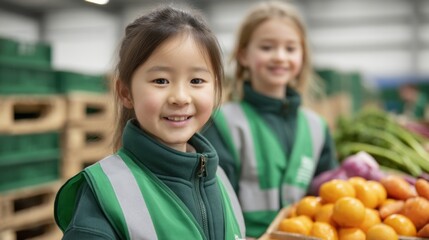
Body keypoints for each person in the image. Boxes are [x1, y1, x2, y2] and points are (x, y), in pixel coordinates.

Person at [54, 5, 245, 240]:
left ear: (216, 88)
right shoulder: (104, 194)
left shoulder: (220, 180)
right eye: (161, 80)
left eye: (196, 80)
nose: (180, 98)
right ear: (126, 92)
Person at [202, 1, 338, 238]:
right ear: (243, 55)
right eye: (267, 47)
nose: (279, 57)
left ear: (302, 55)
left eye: (290, 48)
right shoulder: (223, 122)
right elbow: (214, 202)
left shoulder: (317, 127)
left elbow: (330, 198)